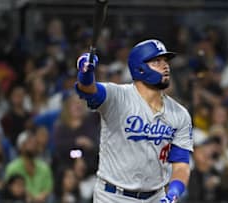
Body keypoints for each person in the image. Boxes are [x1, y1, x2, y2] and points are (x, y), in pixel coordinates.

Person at [74, 39, 193, 203]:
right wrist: (85, 73)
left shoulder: (180, 114)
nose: (165, 66)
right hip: (113, 196)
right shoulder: (118, 96)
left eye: (166, 61)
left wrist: (173, 193)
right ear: (140, 68)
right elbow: (88, 90)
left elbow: (181, 164)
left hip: (155, 196)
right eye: (157, 61)